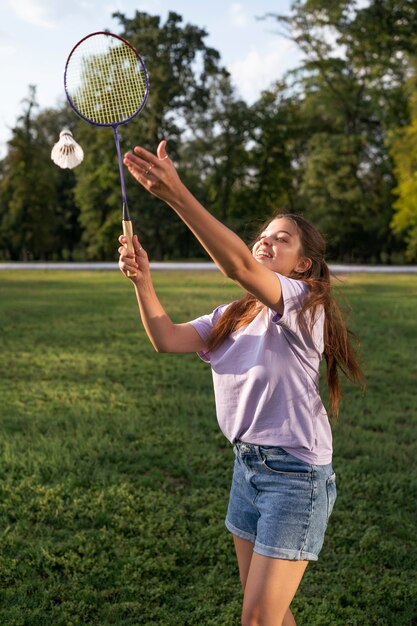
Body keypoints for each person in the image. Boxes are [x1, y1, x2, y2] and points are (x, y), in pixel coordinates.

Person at [118, 140, 364, 626]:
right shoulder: (231, 315)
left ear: (303, 266)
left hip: (295, 476)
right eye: (264, 235)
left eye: (283, 239)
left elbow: (239, 267)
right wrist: (143, 281)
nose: (266, 241)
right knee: (269, 615)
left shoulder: (302, 304)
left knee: (257, 619)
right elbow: (166, 338)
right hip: (246, 468)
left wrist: (176, 194)